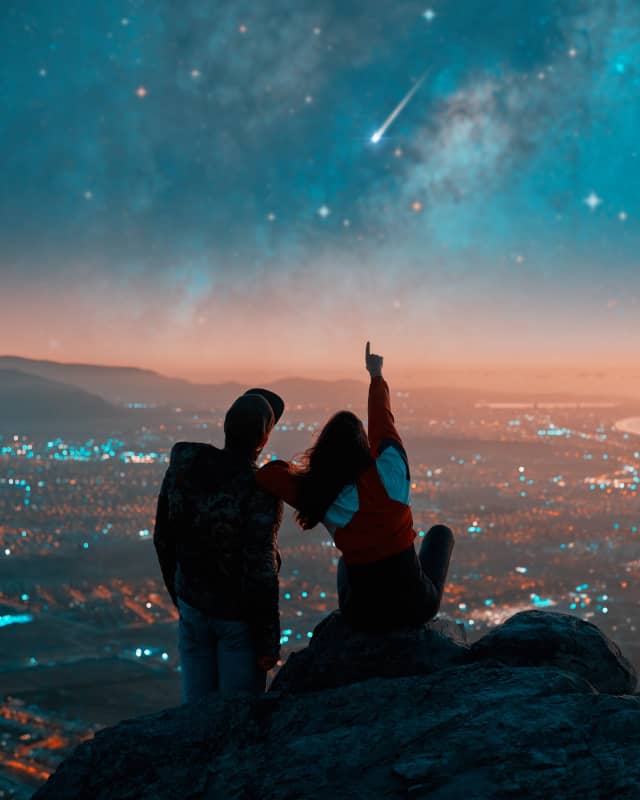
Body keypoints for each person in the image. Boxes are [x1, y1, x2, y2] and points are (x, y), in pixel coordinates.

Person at [257, 342, 454, 630]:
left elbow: (268, 476)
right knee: (440, 534)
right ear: (364, 446)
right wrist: (376, 375)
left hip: (362, 616)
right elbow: (382, 423)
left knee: (345, 565)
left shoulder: (320, 496)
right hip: (415, 608)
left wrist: (311, 474)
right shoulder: (391, 473)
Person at [153, 387, 285, 701]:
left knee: (196, 714)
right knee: (236, 717)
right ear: (263, 441)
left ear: (225, 428)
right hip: (236, 620)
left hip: (192, 606)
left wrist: (180, 594)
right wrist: (268, 642)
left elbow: (163, 536)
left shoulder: (185, 465)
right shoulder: (260, 490)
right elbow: (260, 568)